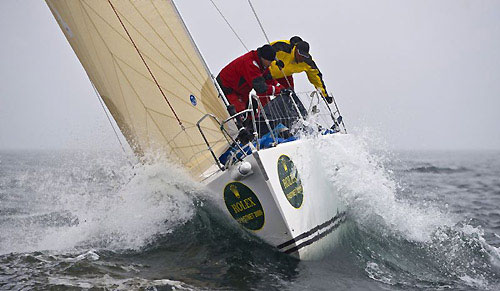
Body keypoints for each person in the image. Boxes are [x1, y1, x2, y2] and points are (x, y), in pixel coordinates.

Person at [216, 44, 283, 115]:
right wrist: (278, 91)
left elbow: (269, 79)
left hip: (241, 92)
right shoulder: (251, 64)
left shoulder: (261, 63)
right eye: (270, 61)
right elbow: (261, 88)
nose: (270, 64)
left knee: (254, 112)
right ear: (264, 58)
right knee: (241, 115)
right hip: (227, 89)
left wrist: (282, 89)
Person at [269, 36, 332, 103]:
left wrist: (325, 96)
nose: (301, 58)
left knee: (289, 95)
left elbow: (316, 78)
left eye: (304, 56)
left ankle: (292, 112)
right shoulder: (283, 47)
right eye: (300, 54)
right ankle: (261, 112)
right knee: (264, 92)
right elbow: (264, 53)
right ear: (295, 49)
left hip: (284, 76)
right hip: (265, 73)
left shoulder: (307, 62)